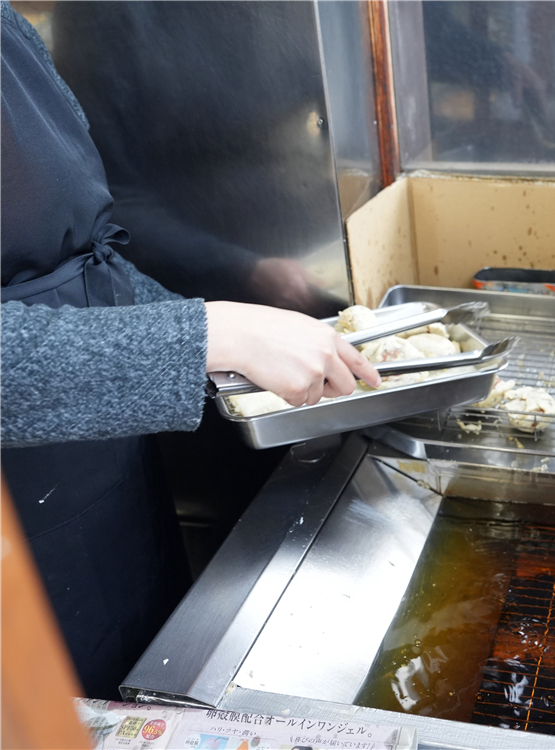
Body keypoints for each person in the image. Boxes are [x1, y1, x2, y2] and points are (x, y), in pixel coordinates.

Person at [0, 2, 379, 699]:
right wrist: (204, 335)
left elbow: (90, 259)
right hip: (18, 526)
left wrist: (202, 321)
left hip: (104, 472)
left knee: (145, 685)